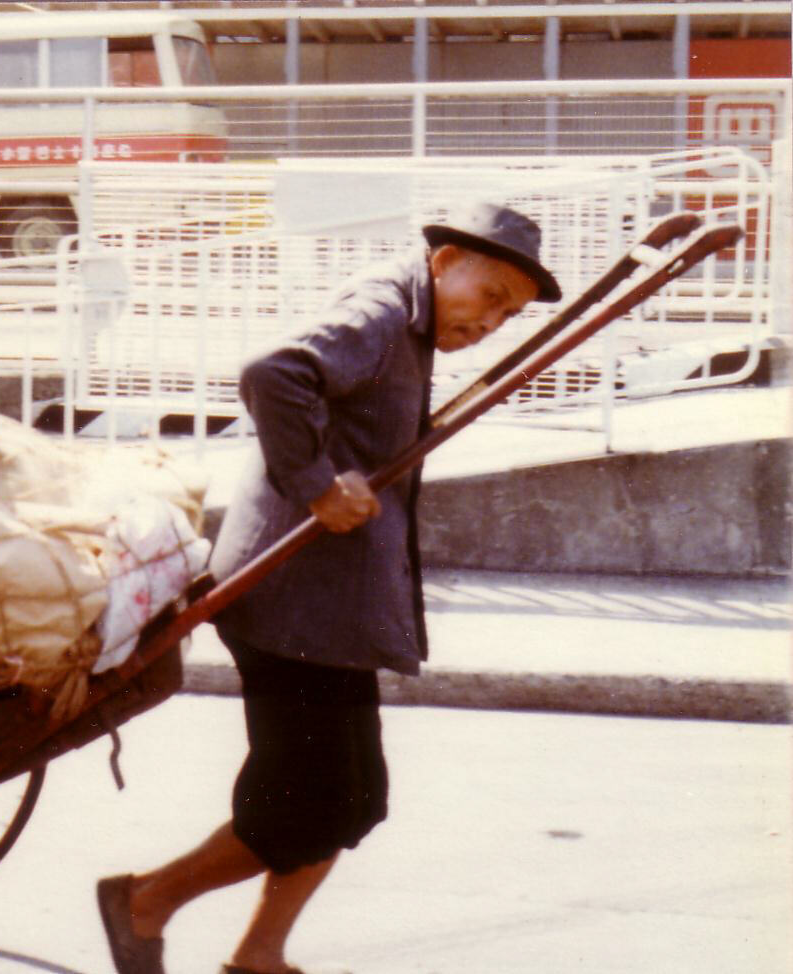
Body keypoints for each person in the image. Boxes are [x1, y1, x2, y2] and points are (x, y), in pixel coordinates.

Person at [96, 202, 562, 974]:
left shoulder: (406, 322)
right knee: (308, 802)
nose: (492, 322)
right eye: (490, 297)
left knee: (352, 800)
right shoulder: (382, 310)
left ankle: (260, 953)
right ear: (444, 262)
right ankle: (144, 903)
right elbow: (273, 372)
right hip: (288, 598)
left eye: (507, 315)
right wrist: (315, 485)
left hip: (329, 605)